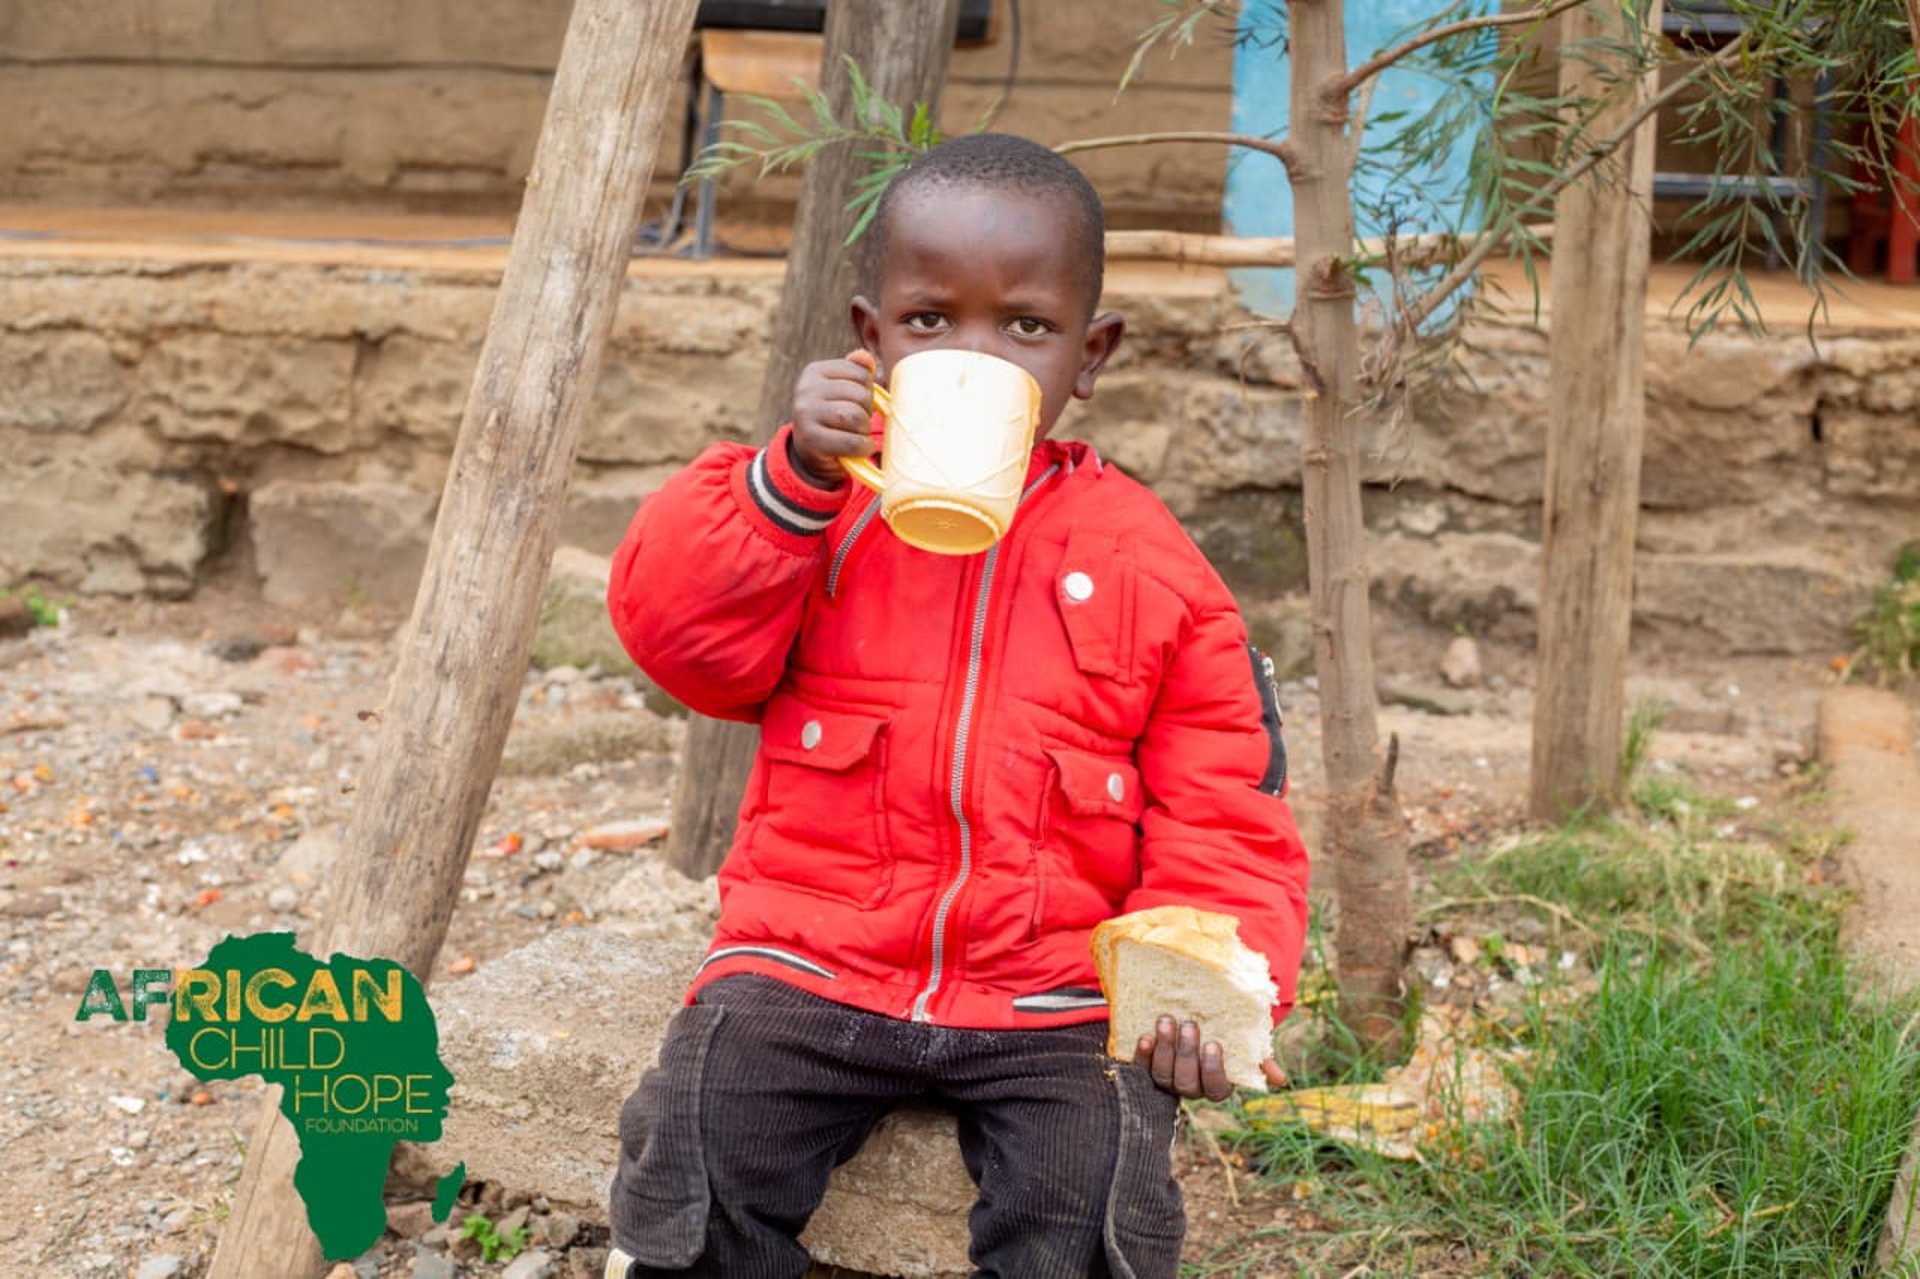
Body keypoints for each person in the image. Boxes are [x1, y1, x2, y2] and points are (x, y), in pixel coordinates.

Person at [603, 132, 1310, 1279]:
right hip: (809, 963)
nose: (977, 353)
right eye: (931, 322)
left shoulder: (1152, 565)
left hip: (1054, 995)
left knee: (1094, 1214)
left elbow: (1225, 802)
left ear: (1092, 354)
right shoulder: (817, 505)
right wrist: (785, 483)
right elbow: (684, 646)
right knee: (693, 1150)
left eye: (1025, 327)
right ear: (869, 339)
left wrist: (1210, 985)